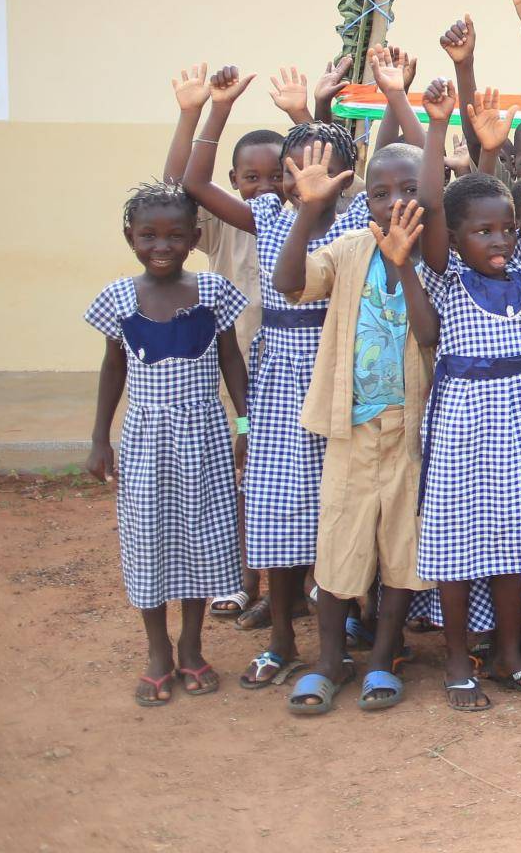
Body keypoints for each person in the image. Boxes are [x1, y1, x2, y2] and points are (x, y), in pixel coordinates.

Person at [180, 67, 369, 689]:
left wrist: (307, 121)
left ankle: (340, 637)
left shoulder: (357, 221)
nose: (297, 182)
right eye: (290, 173)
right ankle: (285, 638)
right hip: (281, 376)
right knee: (279, 506)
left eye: (312, 171)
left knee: (342, 506)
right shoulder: (265, 212)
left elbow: (332, 168)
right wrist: (215, 109)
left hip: (341, 373)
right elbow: (192, 183)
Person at [413, 78, 521, 710]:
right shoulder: (447, 275)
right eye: (483, 231)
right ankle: (459, 658)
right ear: (455, 239)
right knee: (458, 541)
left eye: (505, 230)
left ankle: (509, 654)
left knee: (520, 538)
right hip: (463, 417)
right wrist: (435, 126)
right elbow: (432, 204)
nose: (500, 241)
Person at [272, 141, 434, 714]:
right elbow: (290, 281)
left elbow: (431, 335)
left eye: (410, 190)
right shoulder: (346, 247)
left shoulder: (435, 257)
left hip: (410, 434)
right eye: (381, 192)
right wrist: (306, 212)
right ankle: (327, 660)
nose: (396, 203)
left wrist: (403, 262)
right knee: (340, 545)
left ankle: (384, 657)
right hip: (351, 431)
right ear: (362, 199)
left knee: (400, 552)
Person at [85, 180, 250, 706]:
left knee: (202, 539)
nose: (162, 246)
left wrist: (245, 426)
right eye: (148, 236)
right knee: (147, 541)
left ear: (194, 237)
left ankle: (191, 645)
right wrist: (99, 440)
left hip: (203, 436)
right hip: (145, 439)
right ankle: (157, 650)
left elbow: (230, 360)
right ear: (129, 237)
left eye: (175, 236)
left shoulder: (214, 292)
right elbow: (113, 369)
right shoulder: (117, 298)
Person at [161, 64, 290, 625]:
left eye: (274, 176)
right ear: (234, 183)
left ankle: (296, 585)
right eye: (251, 179)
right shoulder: (221, 223)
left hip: (295, 369)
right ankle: (244, 580)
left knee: (293, 481)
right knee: (244, 479)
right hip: (240, 377)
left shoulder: (303, 222)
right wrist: (205, 110)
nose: (263, 188)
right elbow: (174, 193)